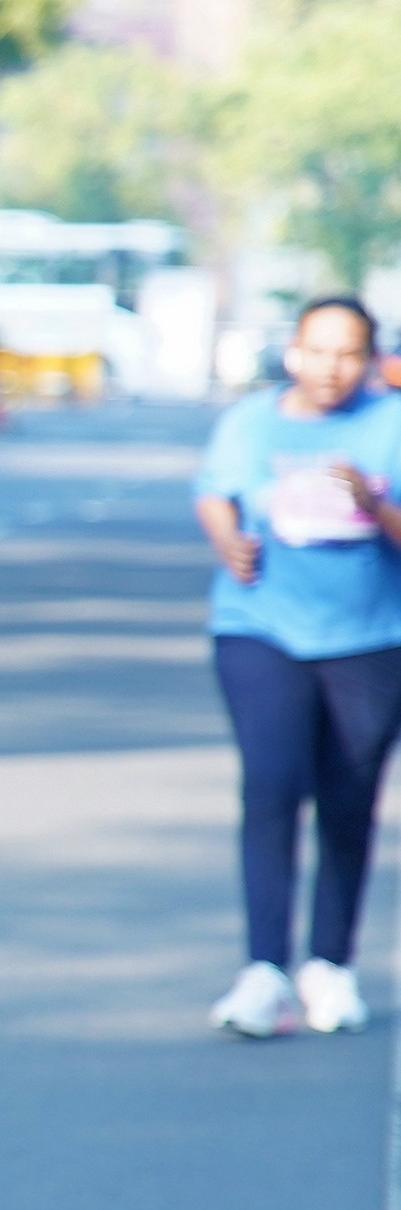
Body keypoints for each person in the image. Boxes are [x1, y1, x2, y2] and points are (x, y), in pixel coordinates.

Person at [195, 295, 401, 1038]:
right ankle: (263, 971)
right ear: (293, 353)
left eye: (348, 353)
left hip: (370, 638)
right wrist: (228, 540)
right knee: (271, 785)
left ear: (371, 360)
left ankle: (330, 965)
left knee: (348, 800)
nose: (331, 368)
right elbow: (215, 496)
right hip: (261, 628)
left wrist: (372, 503)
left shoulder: (390, 425)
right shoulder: (252, 423)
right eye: (318, 351)